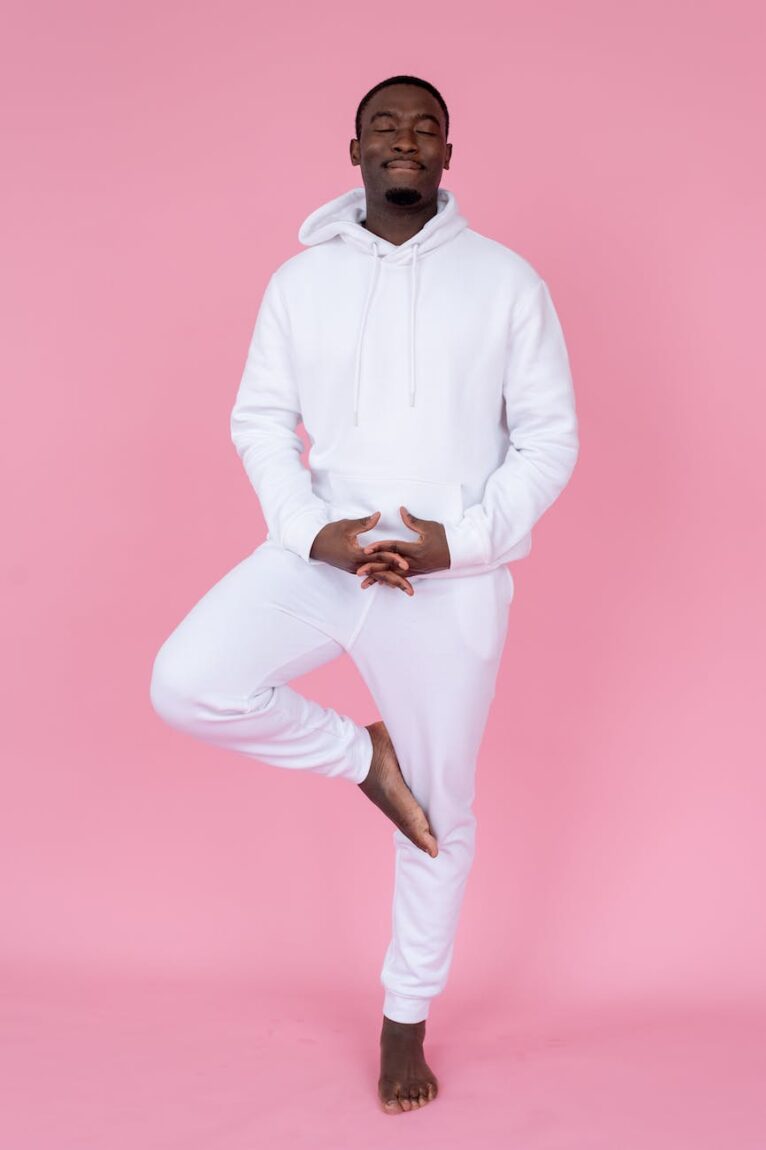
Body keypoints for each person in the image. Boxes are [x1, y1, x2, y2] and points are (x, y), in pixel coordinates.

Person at [150, 73, 579, 1114]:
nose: (405, 139)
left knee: (440, 812)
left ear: (446, 155)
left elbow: (550, 438)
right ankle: (361, 756)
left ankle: (403, 1020)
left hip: (450, 578)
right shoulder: (300, 284)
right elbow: (260, 420)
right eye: (385, 125)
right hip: (323, 555)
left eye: (425, 127)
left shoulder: (508, 281)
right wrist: (313, 531)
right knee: (189, 682)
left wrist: (458, 542)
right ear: (354, 150)